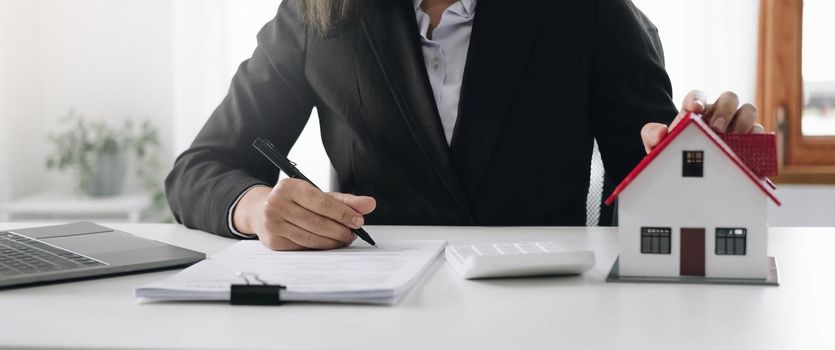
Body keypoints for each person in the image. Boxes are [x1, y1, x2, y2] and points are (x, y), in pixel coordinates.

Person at [166, 0, 762, 251]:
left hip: (548, 318)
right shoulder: (318, 12)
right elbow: (199, 169)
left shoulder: (588, 9)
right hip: (371, 322)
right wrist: (254, 207)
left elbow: (653, 191)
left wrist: (708, 163)